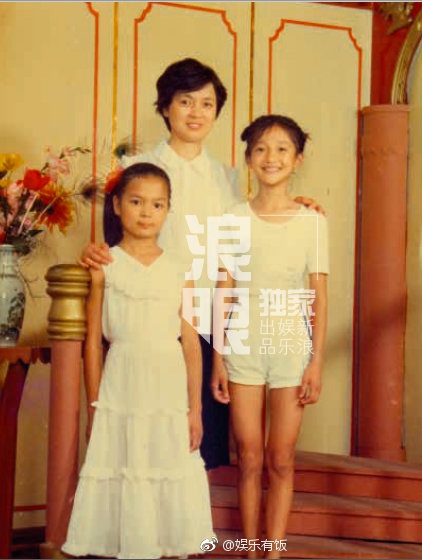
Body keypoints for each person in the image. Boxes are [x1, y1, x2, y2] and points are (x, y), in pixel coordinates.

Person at [81, 58, 324, 471]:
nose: (196, 113)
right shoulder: (135, 170)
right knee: (147, 441)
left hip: (212, 323)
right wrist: (93, 254)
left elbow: (256, 221)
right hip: (154, 320)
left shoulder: (227, 177)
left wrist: (297, 206)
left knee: (202, 445)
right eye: (185, 101)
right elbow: (113, 247)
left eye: (207, 104)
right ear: (165, 107)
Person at [62, 163, 214, 559]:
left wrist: (195, 409)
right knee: (125, 466)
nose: (147, 212)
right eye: (136, 202)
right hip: (122, 383)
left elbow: (191, 343)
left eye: (157, 204)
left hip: (167, 384)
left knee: (167, 464)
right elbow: (93, 344)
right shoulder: (105, 265)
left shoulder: (181, 269)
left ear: (168, 210)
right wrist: (94, 403)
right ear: (116, 205)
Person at [211, 115, 328, 559]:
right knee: (249, 456)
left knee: (281, 458)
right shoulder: (232, 218)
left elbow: (319, 296)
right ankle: (249, 551)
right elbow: (223, 290)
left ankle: (273, 552)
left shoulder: (312, 221)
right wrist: (218, 358)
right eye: (260, 148)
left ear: (297, 160)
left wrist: (316, 361)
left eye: (282, 149)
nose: (270, 157)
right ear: (248, 159)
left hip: (291, 345)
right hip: (242, 342)